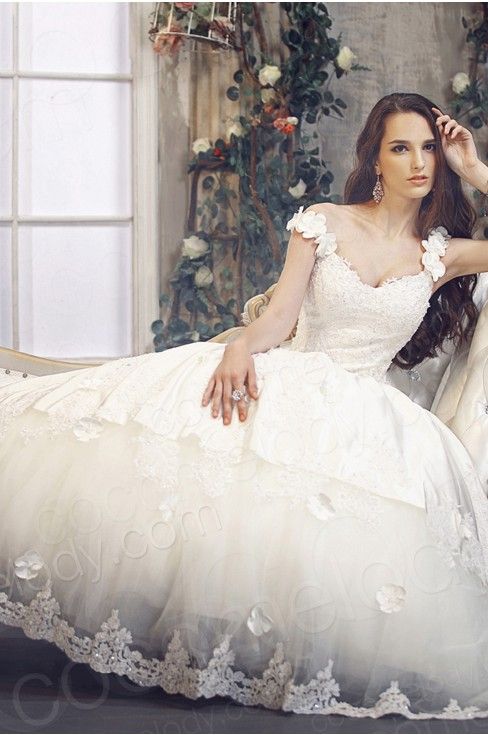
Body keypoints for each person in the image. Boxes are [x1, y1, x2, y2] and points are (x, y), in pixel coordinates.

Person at [2, 92, 488, 720]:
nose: (419, 163)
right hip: (291, 376)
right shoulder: (324, 223)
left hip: (368, 413)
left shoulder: (440, 253)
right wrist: (239, 348)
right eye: (401, 148)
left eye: (427, 149)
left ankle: (283, 656)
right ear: (375, 158)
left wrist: (473, 168)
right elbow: (281, 315)